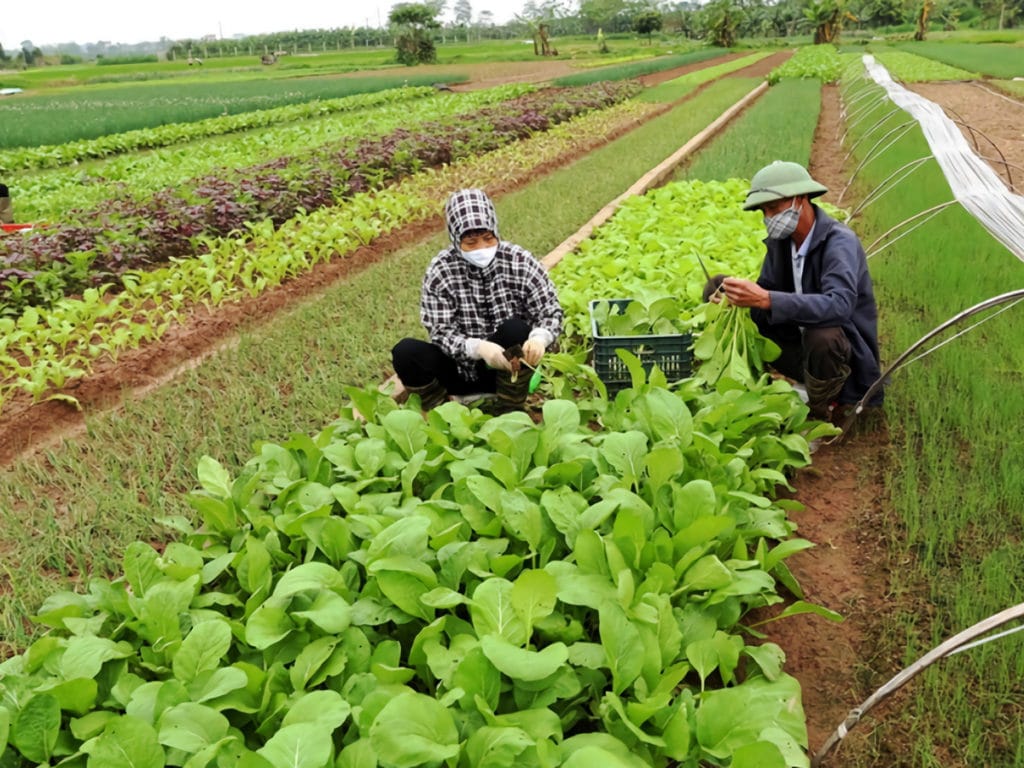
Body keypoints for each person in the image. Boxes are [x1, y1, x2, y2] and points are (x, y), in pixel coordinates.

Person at [703, 160, 883, 420]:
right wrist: (736, 297)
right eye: (763, 211)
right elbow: (768, 290)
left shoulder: (838, 242)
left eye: (773, 208)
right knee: (717, 284)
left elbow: (839, 306)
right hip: (799, 348)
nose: (768, 218)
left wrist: (765, 299)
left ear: (800, 199)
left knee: (823, 335)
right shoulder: (782, 243)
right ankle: (789, 381)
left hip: (841, 360)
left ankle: (825, 404)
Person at [391, 188, 563, 413]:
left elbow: (550, 310)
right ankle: (444, 414)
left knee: (515, 329)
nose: (481, 248)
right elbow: (440, 332)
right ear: (455, 238)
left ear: (496, 232)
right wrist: (478, 348)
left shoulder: (519, 261)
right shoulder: (441, 271)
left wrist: (540, 338)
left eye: (487, 238)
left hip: (505, 371)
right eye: (471, 242)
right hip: (458, 370)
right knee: (406, 352)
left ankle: (509, 407)